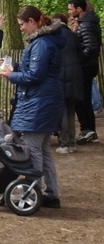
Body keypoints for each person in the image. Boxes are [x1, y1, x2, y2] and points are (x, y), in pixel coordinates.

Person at [0, 6, 65, 209]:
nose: (21, 29)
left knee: (33, 149)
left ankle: (31, 190)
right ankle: (51, 193)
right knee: (43, 150)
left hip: (38, 103)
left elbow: (35, 75)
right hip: (45, 101)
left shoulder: (41, 44)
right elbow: (38, 68)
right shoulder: (45, 42)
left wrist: (11, 76)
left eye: (22, 24)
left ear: (33, 22)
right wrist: (16, 66)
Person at [67, 0, 101, 143]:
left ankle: (87, 130)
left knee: (82, 100)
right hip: (89, 65)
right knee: (84, 98)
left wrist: (78, 59)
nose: (69, 12)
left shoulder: (86, 25)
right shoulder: (85, 22)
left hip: (86, 67)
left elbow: (91, 48)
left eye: (71, 9)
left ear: (79, 9)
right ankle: (90, 131)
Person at [51, 12, 84, 154]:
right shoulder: (74, 35)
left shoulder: (54, 36)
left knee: (62, 110)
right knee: (71, 110)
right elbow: (81, 54)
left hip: (60, 76)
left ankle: (64, 143)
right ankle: (72, 142)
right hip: (75, 75)